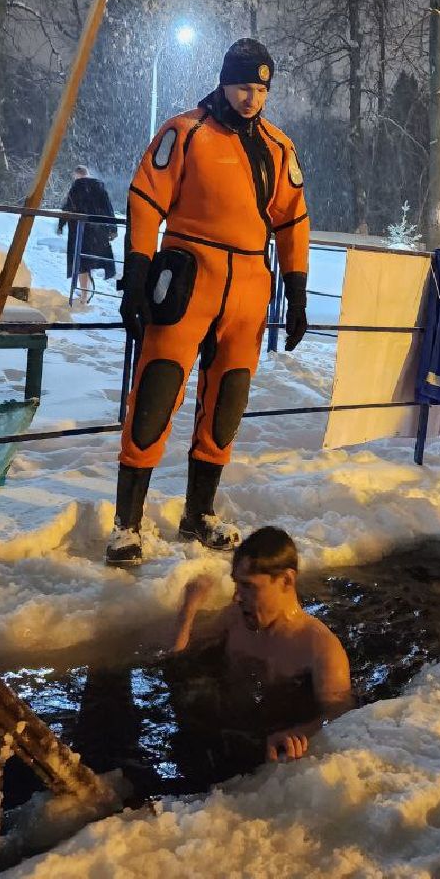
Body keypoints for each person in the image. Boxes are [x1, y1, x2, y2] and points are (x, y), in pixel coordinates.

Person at [107, 38, 310, 567]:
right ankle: (127, 524)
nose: (252, 97)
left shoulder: (280, 147)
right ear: (224, 81)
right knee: (156, 394)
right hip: (187, 277)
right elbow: (146, 196)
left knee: (227, 405)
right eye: (244, 85)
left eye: (262, 88)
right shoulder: (185, 131)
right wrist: (137, 270)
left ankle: (199, 513)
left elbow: (292, 218)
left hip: (248, 287)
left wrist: (297, 287)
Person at [170, 526, 352, 762]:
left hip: (269, 745)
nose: (236, 597)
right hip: (223, 732)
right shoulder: (234, 618)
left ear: (286, 580)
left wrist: (300, 734)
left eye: (248, 586)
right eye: (237, 584)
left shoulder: (321, 649)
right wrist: (189, 607)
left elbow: (341, 719)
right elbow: (178, 655)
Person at [56, 165, 117, 305]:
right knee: (90, 260)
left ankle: (84, 295)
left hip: (80, 232)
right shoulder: (99, 188)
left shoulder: (76, 188)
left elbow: (68, 208)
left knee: (81, 264)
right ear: (88, 174)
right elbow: (108, 208)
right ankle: (86, 294)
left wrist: (61, 224)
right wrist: (113, 228)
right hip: (97, 232)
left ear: (76, 175)